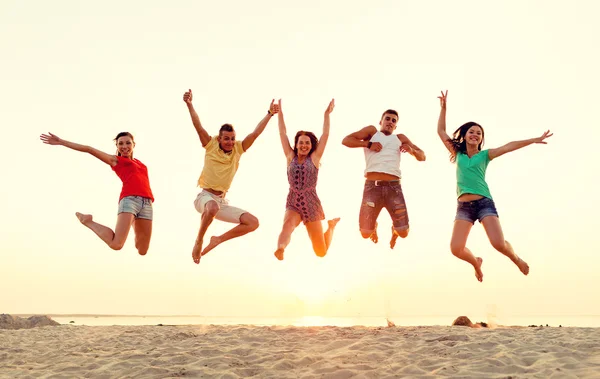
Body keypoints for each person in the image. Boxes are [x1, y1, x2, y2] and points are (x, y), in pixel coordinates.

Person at [436, 90, 552, 282]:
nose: (475, 134)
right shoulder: (458, 153)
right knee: (456, 249)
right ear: (464, 136)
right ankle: (476, 263)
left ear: (481, 139)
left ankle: (515, 258)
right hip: (463, 207)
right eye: (471, 132)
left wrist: (533, 140)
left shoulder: (485, 155)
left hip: (484, 203)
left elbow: (508, 146)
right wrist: (444, 108)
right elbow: (441, 132)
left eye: (479, 133)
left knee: (498, 243)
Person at [183, 89, 279, 264]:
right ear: (219, 139)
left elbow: (255, 133)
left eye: (232, 138)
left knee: (253, 223)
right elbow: (198, 126)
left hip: (221, 202)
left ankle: (218, 239)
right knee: (211, 208)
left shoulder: (238, 149)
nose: (230, 142)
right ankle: (199, 241)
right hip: (204, 198)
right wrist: (189, 104)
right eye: (226, 138)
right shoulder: (210, 145)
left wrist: (270, 114)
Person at [39, 132, 154, 255]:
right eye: (120, 143)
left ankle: (131, 221)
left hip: (147, 203)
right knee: (116, 244)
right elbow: (89, 149)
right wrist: (62, 142)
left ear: (133, 145)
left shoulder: (141, 164)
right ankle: (87, 221)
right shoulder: (116, 160)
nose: (124, 146)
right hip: (130, 200)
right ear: (117, 146)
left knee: (142, 250)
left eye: (128, 143)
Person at [342, 109, 426, 249]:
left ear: (396, 126)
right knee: (365, 233)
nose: (390, 122)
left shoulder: (400, 138)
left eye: (394, 121)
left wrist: (412, 151)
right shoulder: (372, 132)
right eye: (387, 119)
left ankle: (394, 230)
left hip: (394, 188)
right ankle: (373, 226)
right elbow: (346, 140)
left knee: (403, 233)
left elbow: (422, 156)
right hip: (372, 188)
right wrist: (368, 144)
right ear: (381, 121)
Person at [274, 99, 340, 261]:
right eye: (301, 142)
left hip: (311, 203)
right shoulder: (290, 157)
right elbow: (282, 133)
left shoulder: (315, 158)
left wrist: (326, 114)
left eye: (307, 143)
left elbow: (325, 135)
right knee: (287, 225)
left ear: (311, 146)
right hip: (294, 200)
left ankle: (330, 228)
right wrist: (280, 114)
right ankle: (280, 249)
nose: (304, 145)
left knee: (320, 252)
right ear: (296, 145)